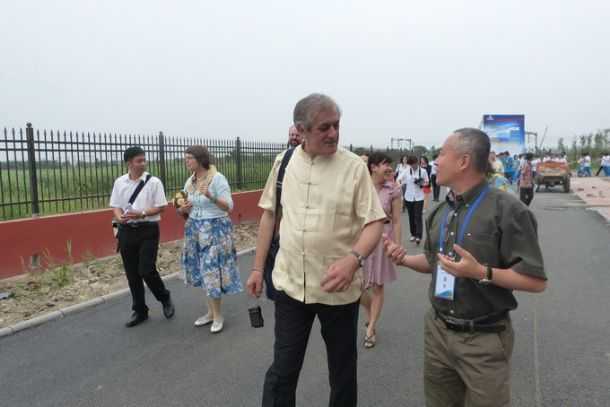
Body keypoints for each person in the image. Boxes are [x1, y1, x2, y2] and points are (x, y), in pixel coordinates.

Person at [384, 128, 547, 407]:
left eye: (441, 154)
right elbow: (436, 262)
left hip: (484, 340)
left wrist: (481, 272)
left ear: (463, 161)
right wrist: (404, 259)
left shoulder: (508, 210)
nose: (436, 161)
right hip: (438, 333)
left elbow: (536, 281)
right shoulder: (440, 211)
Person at [245, 93, 386, 407]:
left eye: (337, 125)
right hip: (291, 286)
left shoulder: (354, 167)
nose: (334, 133)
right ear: (301, 130)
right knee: (283, 370)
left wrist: (354, 259)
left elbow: (375, 222)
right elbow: (269, 216)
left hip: (338, 290)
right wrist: (256, 268)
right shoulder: (283, 163)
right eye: (324, 127)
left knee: (342, 371)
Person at [177, 145, 243, 334]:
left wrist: (210, 196)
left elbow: (228, 206)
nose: (186, 161)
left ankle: (218, 315)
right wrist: (182, 209)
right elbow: (185, 205)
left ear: (200, 159)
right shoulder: (191, 181)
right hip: (195, 230)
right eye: (186, 158)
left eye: (189, 158)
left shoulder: (217, 178)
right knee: (201, 270)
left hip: (215, 229)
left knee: (211, 271)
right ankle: (210, 313)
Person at [110, 146, 175, 327]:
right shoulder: (120, 182)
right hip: (126, 231)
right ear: (129, 163)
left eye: (144, 160)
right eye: (139, 161)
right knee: (132, 274)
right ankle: (140, 311)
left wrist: (142, 213)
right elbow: (115, 206)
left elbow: (161, 206)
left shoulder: (153, 182)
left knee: (146, 270)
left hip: (148, 230)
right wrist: (119, 218)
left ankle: (164, 297)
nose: (143, 163)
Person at [360, 152, 402, 349]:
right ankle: (371, 314)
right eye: (385, 164)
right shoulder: (361, 185)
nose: (390, 168)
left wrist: (397, 246)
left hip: (383, 239)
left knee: (377, 286)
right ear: (373, 167)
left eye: (390, 165)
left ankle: (371, 328)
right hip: (361, 238)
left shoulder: (393, 189)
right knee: (357, 286)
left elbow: (397, 220)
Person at [397, 155, 429, 245]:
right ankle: (413, 234)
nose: (413, 166)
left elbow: (427, 182)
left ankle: (419, 236)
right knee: (411, 216)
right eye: (411, 165)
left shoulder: (423, 171)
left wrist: (421, 183)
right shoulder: (406, 171)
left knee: (418, 216)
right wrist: (399, 185)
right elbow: (398, 179)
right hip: (409, 197)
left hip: (419, 197)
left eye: (414, 164)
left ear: (417, 163)